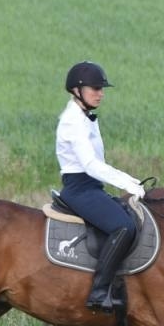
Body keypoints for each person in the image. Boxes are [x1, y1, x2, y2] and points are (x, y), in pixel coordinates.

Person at [56, 61, 145, 313]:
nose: (101, 93)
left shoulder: (86, 118)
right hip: (79, 188)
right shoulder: (73, 121)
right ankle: (98, 291)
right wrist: (128, 182)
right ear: (77, 90)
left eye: (102, 88)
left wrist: (129, 181)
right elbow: (91, 165)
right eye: (95, 88)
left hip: (91, 187)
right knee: (123, 226)